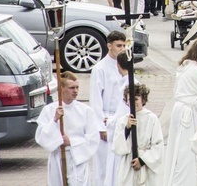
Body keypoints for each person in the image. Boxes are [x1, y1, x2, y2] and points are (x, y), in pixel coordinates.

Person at [164, 37, 197, 186]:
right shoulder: (195, 72)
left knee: (179, 154)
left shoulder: (185, 68)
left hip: (180, 112)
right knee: (185, 155)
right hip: (186, 115)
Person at [36, 72, 100, 186]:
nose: (75, 91)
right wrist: (54, 120)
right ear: (61, 89)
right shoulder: (49, 110)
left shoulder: (86, 111)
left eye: (77, 87)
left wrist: (71, 142)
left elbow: (93, 138)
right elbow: (41, 137)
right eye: (71, 88)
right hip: (58, 158)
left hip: (78, 158)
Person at [89, 30, 126, 185]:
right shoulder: (100, 68)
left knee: (119, 165)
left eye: (124, 45)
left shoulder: (124, 65)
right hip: (106, 120)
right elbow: (95, 98)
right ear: (109, 46)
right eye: (119, 45)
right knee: (103, 166)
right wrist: (100, 127)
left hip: (121, 119)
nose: (122, 49)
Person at [112, 83, 165, 186]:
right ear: (126, 102)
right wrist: (127, 129)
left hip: (145, 164)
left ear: (143, 100)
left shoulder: (151, 119)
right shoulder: (122, 121)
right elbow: (116, 147)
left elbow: (158, 145)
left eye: (136, 99)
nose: (133, 102)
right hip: (128, 164)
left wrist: (142, 160)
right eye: (129, 100)